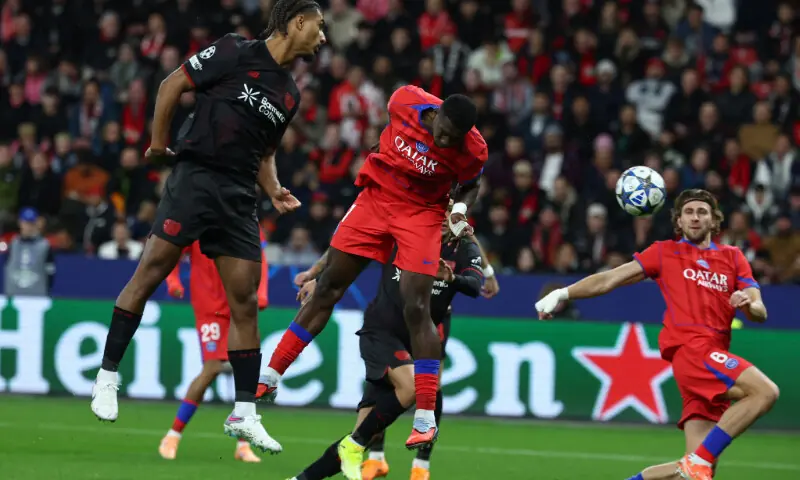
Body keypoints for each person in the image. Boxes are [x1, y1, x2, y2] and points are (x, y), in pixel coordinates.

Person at [90, 0, 326, 454]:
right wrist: (158, 144)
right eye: (318, 27)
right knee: (150, 272)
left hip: (239, 196)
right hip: (196, 178)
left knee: (245, 304)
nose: (322, 37)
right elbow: (172, 84)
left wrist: (274, 189)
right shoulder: (235, 50)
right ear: (298, 22)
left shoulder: (289, 95)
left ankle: (244, 413)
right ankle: (106, 375)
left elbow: (266, 153)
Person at [258, 85, 489, 450]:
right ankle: (270, 376)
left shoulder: (473, 148)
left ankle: (425, 419)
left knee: (417, 307)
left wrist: (459, 212)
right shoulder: (404, 101)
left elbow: (470, 185)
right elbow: (388, 136)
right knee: (329, 286)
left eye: (452, 139)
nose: (444, 142)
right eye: (442, 132)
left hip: (422, 214)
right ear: (436, 114)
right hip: (376, 200)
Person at [535, 189, 779, 480]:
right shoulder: (665, 252)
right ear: (679, 220)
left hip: (714, 355)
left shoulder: (733, 257)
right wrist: (562, 293)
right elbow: (610, 278)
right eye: (689, 212)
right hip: (692, 351)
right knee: (765, 392)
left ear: (714, 220)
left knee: (697, 474)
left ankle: (688, 465)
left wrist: (749, 303)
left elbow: (759, 311)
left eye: (702, 212)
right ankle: (698, 460)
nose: (695, 217)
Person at [288, 202, 487, 480]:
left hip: (416, 339)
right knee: (414, 387)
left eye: (449, 212)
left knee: (363, 432)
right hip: (381, 331)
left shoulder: (464, 248)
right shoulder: (404, 233)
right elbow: (352, 246)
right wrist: (318, 277)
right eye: (439, 210)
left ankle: (303, 478)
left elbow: (476, 285)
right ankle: (384, 456)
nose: (443, 217)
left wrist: (452, 277)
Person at [158, 230, 268, 463]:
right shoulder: (199, 220)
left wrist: (261, 292)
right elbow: (174, 250)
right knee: (213, 367)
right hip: (210, 306)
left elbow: (260, 257)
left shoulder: (246, 219)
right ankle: (172, 435)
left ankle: (243, 445)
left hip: (239, 303)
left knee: (245, 371)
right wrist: (173, 280)